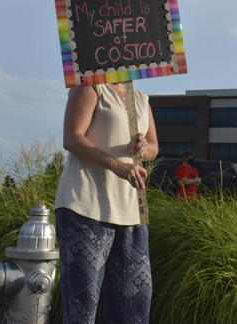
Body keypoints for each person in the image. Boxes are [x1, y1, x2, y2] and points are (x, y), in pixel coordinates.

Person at [55, 83, 159, 324]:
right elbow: (72, 137)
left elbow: (154, 147)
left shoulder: (141, 98)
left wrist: (141, 149)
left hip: (131, 211)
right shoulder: (91, 87)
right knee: (83, 305)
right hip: (86, 206)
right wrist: (116, 165)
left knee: (134, 307)